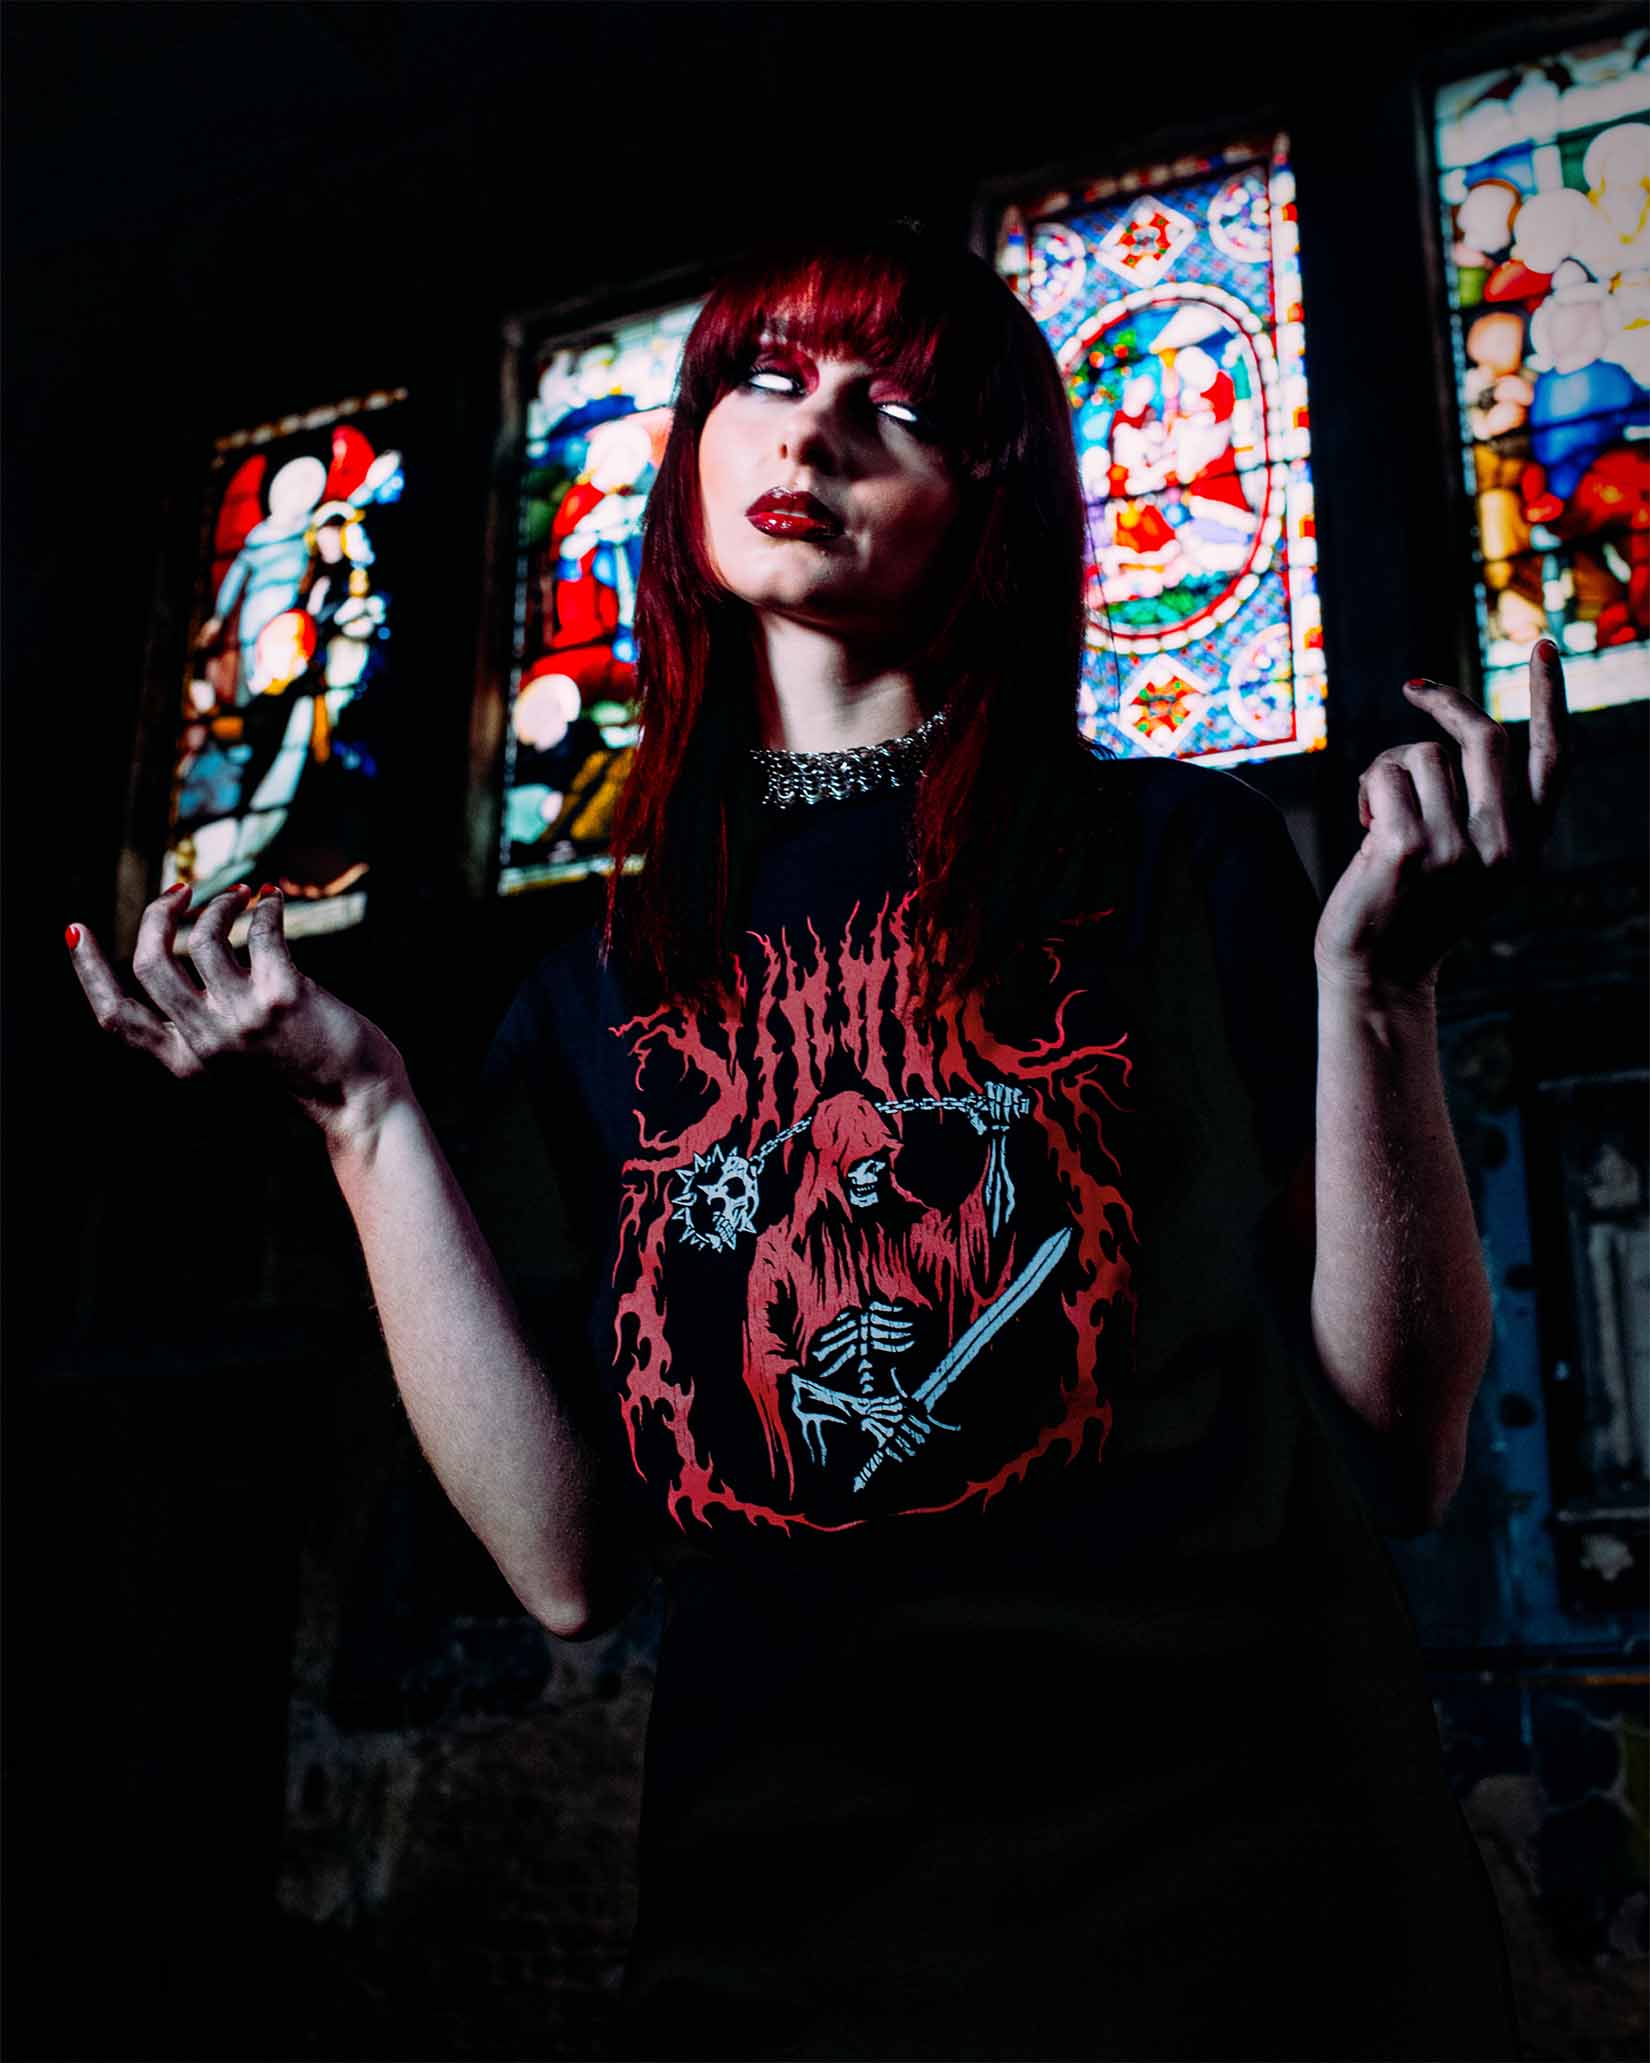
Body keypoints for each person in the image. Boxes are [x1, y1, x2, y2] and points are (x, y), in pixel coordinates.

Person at [67, 219, 1568, 2061]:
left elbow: (1400, 1450)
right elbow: (566, 1567)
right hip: (777, 1945)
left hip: (1237, 1916)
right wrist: (359, 1112)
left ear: (986, 502)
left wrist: (1381, 992)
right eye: (766, 382)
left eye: (900, 408)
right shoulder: (599, 985)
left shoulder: (1178, 863)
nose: (816, 431)